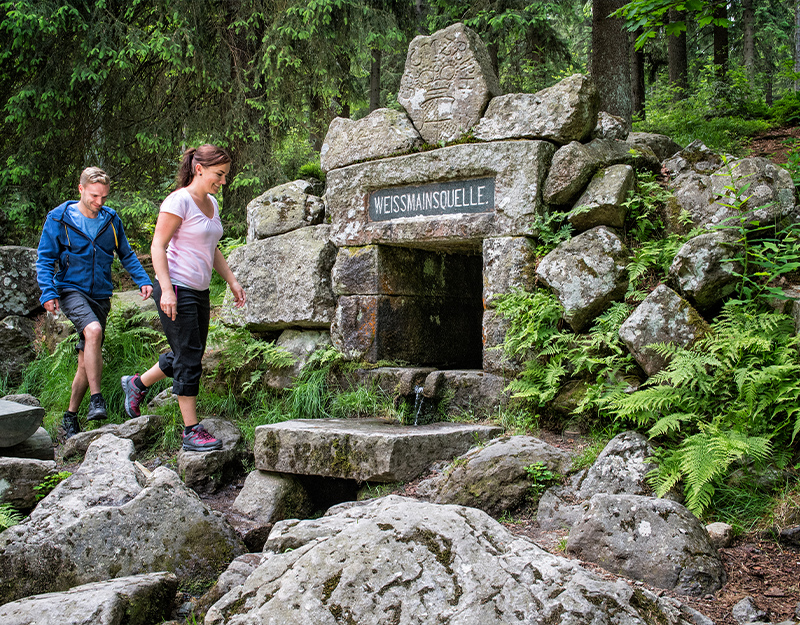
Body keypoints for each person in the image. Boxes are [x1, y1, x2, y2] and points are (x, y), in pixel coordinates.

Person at [121, 144, 246, 452]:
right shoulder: (179, 201)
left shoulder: (212, 204)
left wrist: (231, 280)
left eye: (226, 175)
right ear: (198, 168)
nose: (223, 181)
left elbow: (211, 247)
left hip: (199, 290)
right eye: (219, 174)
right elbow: (157, 246)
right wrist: (166, 290)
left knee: (187, 351)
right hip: (176, 287)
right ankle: (191, 430)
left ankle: (137, 384)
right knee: (189, 356)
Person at [36, 167, 154, 438]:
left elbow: (126, 254)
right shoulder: (59, 218)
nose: (99, 202)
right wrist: (48, 293)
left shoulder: (110, 219)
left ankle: (70, 417)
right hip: (70, 289)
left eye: (104, 197)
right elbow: (44, 259)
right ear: (80, 189)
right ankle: (97, 399)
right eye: (94, 196)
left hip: (100, 293)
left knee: (84, 362)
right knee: (94, 331)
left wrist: (143, 279)